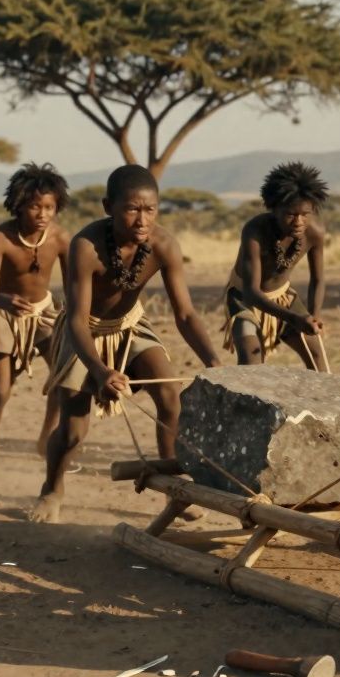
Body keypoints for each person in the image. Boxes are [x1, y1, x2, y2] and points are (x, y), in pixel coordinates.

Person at [30, 164, 222, 523]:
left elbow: (185, 314)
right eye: (131, 209)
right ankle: (51, 489)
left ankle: (173, 489)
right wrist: (101, 371)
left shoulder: (164, 245)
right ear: (108, 207)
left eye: (150, 210)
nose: (141, 220)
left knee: (170, 398)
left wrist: (212, 359)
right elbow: (76, 318)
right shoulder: (86, 247)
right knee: (73, 431)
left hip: (131, 325)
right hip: (83, 330)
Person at [0, 162, 72, 472]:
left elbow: (73, 287)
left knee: (61, 380)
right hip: (4, 315)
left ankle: (45, 440)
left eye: (49, 207)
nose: (42, 214)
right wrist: (5, 300)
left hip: (44, 315)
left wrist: (73, 317)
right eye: (34, 207)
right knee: (1, 389)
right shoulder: (1, 237)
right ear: (18, 205)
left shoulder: (60, 238)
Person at [221, 162, 328, 370]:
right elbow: (252, 293)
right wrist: (295, 319)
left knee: (316, 354)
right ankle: (247, 402)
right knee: (251, 357)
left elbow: (318, 279)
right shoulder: (255, 231)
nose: (298, 221)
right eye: (290, 214)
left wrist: (313, 317)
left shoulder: (314, 233)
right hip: (244, 298)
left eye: (305, 214)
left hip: (283, 297)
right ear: (274, 209)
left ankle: (323, 402)